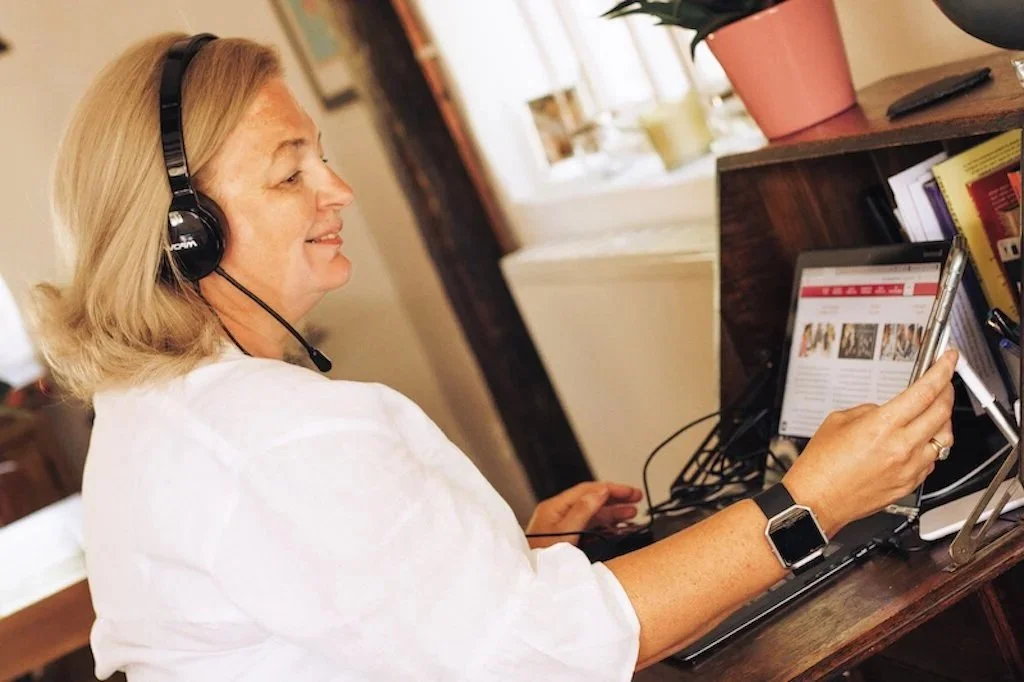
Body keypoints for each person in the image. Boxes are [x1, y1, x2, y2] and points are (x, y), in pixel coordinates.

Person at [33, 33, 957, 681]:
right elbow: (539, 656)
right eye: (289, 172)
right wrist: (812, 501)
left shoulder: (157, 410)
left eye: (323, 156)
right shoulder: (269, 433)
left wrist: (512, 555)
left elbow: (341, 612)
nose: (339, 189)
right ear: (185, 233)